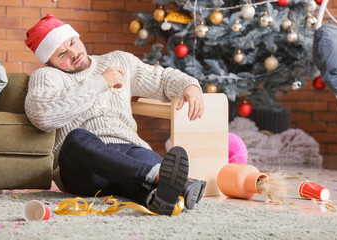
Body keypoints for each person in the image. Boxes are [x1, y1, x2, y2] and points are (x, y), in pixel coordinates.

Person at [24, 14, 206, 216]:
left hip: (129, 152)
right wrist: (100, 82)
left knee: (144, 157)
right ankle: (159, 178)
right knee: (77, 138)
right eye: (61, 55)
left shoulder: (118, 60)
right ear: (49, 63)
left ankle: (156, 196)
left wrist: (188, 85)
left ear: (77, 36)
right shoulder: (47, 76)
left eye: (73, 43)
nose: (74, 53)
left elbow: (161, 78)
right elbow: (41, 116)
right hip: (85, 168)